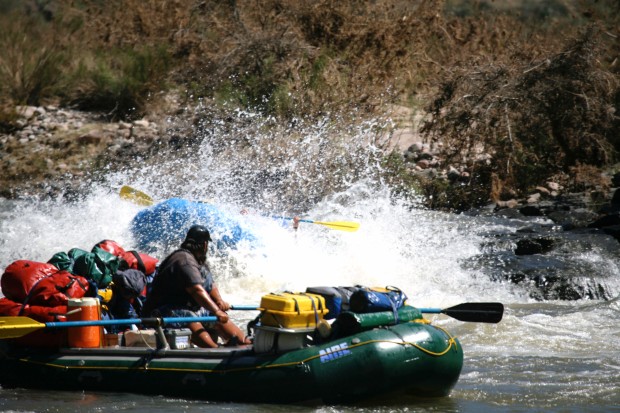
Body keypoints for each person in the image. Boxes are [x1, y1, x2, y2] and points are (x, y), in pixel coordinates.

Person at [142, 225, 251, 347]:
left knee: (213, 312)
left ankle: (244, 342)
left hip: (187, 308)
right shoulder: (184, 260)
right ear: (205, 245)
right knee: (188, 315)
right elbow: (196, 290)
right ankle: (214, 349)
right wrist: (216, 310)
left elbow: (211, 284)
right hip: (159, 312)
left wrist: (219, 302)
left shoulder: (198, 261)